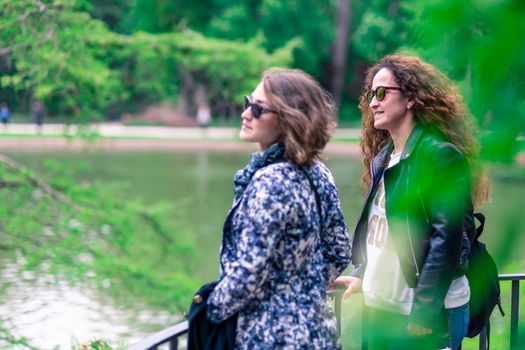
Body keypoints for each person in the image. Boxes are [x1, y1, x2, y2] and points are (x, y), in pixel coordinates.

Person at [332, 53, 489, 350]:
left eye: (381, 93)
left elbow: (447, 238)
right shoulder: (384, 159)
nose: (373, 102)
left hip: (423, 314)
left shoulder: (439, 156)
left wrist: (425, 311)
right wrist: (363, 276)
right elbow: (387, 234)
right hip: (381, 309)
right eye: (370, 95)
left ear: (410, 99)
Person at [206, 68, 351, 349]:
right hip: (319, 331)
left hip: (272, 338)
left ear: (288, 119)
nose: (246, 114)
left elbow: (246, 275)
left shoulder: (271, 181)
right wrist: (301, 287)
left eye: (258, 109)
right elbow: (340, 249)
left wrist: (208, 310)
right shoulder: (318, 173)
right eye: (248, 103)